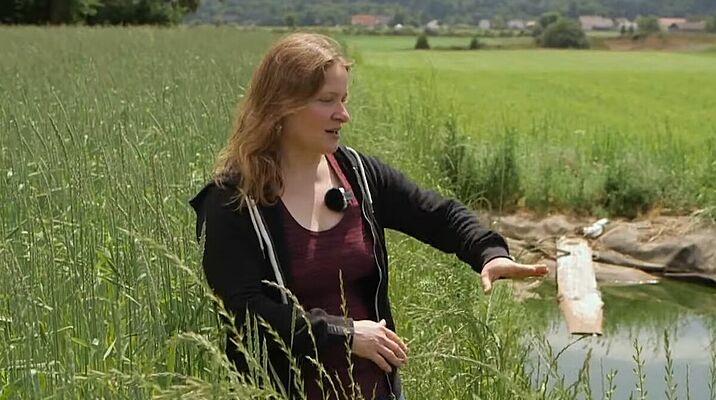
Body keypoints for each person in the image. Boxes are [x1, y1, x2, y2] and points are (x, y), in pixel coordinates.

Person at [189, 33, 547, 400]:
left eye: (343, 99)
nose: (343, 114)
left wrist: (489, 252)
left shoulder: (358, 174)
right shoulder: (232, 201)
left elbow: (437, 215)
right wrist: (345, 334)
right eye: (327, 101)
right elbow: (245, 314)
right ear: (281, 106)